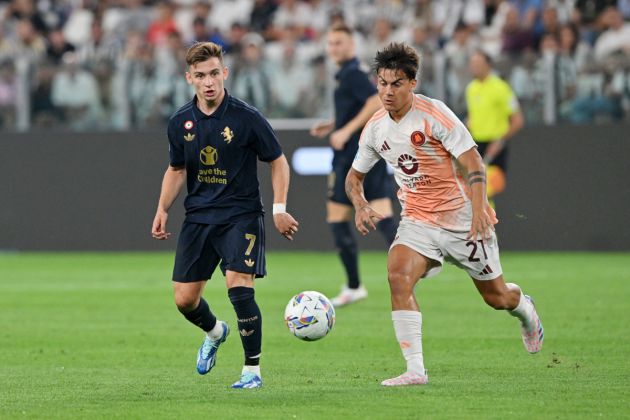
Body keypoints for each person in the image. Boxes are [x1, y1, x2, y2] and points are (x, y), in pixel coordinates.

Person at [345, 43, 543, 387]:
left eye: (396, 84)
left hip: (462, 219)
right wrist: (361, 204)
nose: (387, 92)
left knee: (496, 298)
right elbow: (353, 178)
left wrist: (480, 207)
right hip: (418, 221)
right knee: (397, 277)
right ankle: (415, 370)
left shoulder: (435, 115)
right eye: (382, 83)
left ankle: (525, 309)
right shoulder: (376, 128)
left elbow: (473, 163)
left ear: (412, 83)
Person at [151, 41, 299, 389]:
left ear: (225, 74)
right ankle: (216, 332)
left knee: (239, 287)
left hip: (241, 215)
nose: (209, 82)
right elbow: (176, 169)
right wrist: (162, 208)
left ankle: (252, 371)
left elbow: (277, 160)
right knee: (184, 299)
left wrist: (280, 208)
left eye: (214, 73)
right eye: (200, 75)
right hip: (199, 217)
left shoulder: (246, 118)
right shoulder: (180, 122)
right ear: (189, 78)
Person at [310, 23, 396, 307]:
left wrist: (346, 132)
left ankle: (356, 285)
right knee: (378, 214)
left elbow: (375, 101)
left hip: (354, 157)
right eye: (331, 43)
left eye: (339, 42)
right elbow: (357, 108)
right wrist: (335, 124)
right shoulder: (345, 75)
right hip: (362, 154)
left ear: (352, 45)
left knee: (344, 218)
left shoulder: (353, 74)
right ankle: (418, 263)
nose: (334, 47)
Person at [465, 50, 524, 204]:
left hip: (495, 146)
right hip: (476, 146)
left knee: (484, 188)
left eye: (478, 64)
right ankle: (485, 227)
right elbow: (473, 116)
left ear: (488, 65)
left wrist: (500, 140)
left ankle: (485, 227)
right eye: (472, 64)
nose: (474, 67)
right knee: (477, 192)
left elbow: (517, 120)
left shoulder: (501, 88)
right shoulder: (471, 88)